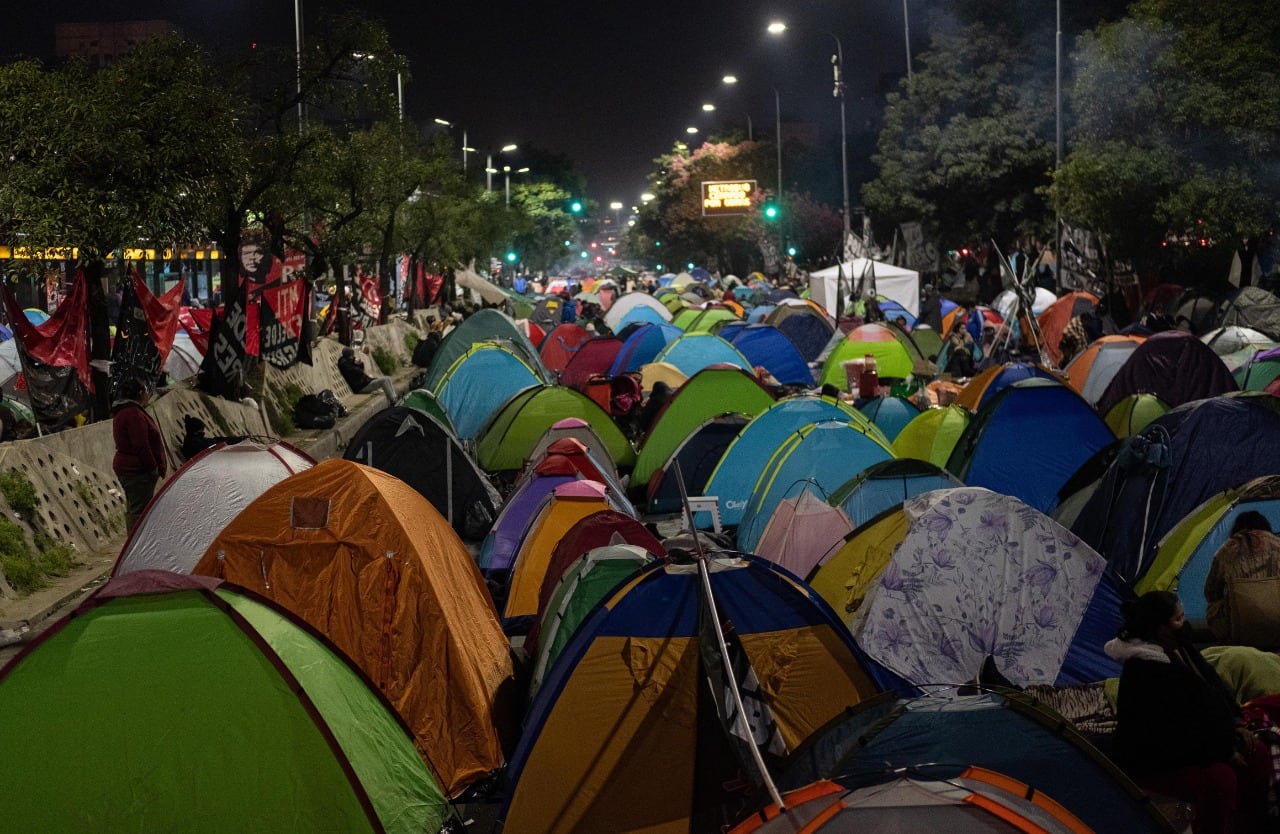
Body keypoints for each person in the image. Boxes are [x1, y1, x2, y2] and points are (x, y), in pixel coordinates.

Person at [1105, 590, 1271, 834]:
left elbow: (1213, 689)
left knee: (1258, 754)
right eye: (1178, 619)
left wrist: (1235, 724)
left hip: (1201, 743)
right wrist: (1225, 749)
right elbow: (1176, 731)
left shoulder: (1178, 647)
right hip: (1157, 760)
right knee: (1220, 778)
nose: (1185, 625)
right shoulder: (1146, 671)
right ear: (1159, 627)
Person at [1205, 511, 1280, 643]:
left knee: (1214, 606)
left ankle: (1228, 641)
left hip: (1241, 629)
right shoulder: (1277, 543)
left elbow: (1210, 592)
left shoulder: (1226, 549)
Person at [112, 378, 167, 533]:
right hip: (137, 470)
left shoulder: (125, 411)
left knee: (136, 508)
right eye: (146, 391)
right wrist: (153, 468)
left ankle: (137, 542)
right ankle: (137, 545)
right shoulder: (132, 413)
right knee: (139, 511)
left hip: (133, 468)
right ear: (140, 393)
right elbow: (141, 445)